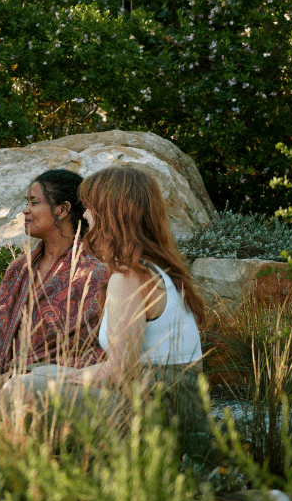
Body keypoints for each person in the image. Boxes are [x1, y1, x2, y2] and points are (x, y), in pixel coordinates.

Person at [20, 163, 204, 395]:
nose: (85, 215)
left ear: (111, 214)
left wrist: (60, 376)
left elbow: (119, 372)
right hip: (169, 399)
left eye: (90, 207)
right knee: (38, 374)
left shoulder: (129, 277)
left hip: (155, 406)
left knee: (20, 388)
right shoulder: (154, 268)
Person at [0, 169, 108, 377]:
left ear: (62, 209)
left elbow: (99, 349)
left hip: (60, 386)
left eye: (34, 202)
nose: (26, 210)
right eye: (27, 203)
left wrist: (30, 374)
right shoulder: (18, 269)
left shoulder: (95, 273)